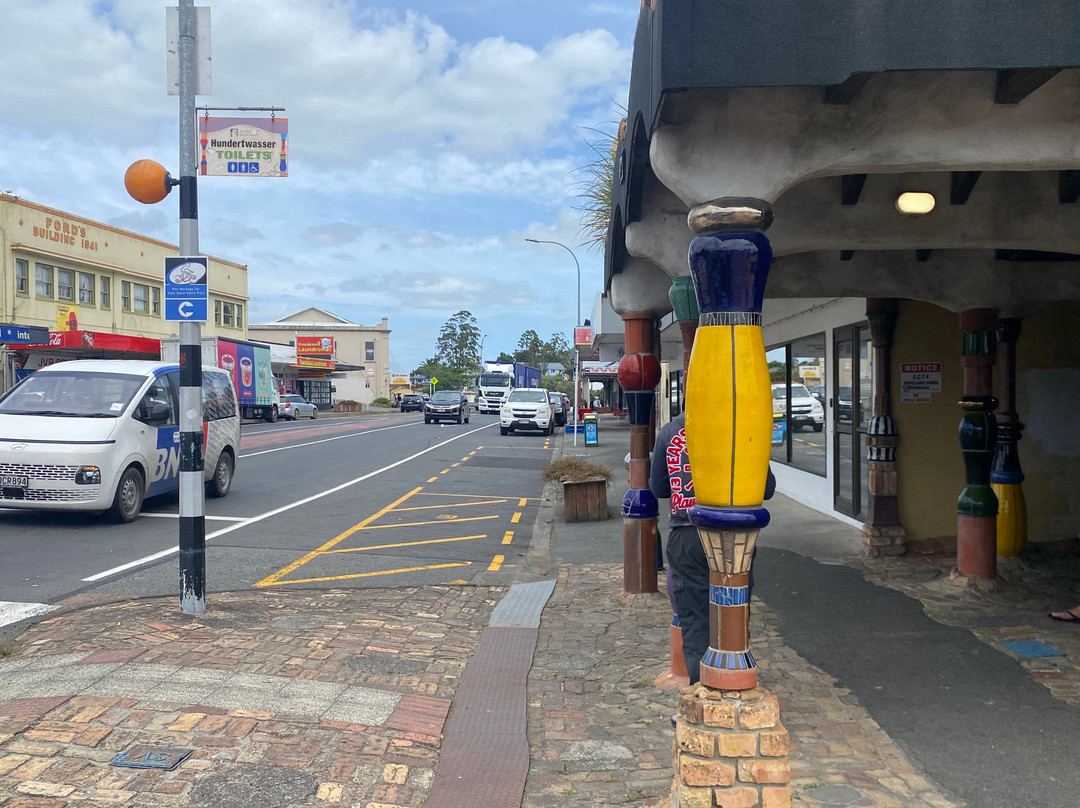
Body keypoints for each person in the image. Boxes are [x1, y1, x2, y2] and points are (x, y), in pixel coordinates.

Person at [649, 410, 775, 684]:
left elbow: (658, 487)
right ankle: (734, 683)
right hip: (735, 537)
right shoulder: (742, 428)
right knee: (733, 615)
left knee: (694, 618)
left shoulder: (670, 432)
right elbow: (767, 488)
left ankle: (702, 688)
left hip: (686, 532)